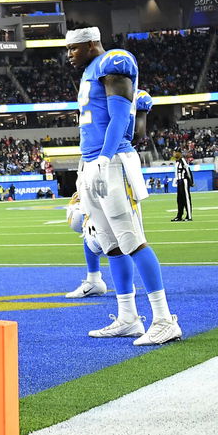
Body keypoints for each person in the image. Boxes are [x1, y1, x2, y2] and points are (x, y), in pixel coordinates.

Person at [66, 26, 181, 345]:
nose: (69, 55)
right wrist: (87, 168)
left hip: (113, 161)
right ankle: (128, 317)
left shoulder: (113, 61)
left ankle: (163, 318)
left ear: (91, 44)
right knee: (111, 245)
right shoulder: (90, 70)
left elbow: (119, 118)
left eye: (74, 48)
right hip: (91, 162)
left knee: (133, 240)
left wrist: (104, 158)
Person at [172, 150, 194, 222]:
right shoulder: (177, 162)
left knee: (186, 198)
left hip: (184, 181)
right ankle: (179, 215)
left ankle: (189, 216)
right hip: (179, 181)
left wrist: (191, 181)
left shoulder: (183, 161)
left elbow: (188, 170)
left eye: (175, 152)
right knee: (179, 199)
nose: (174, 154)